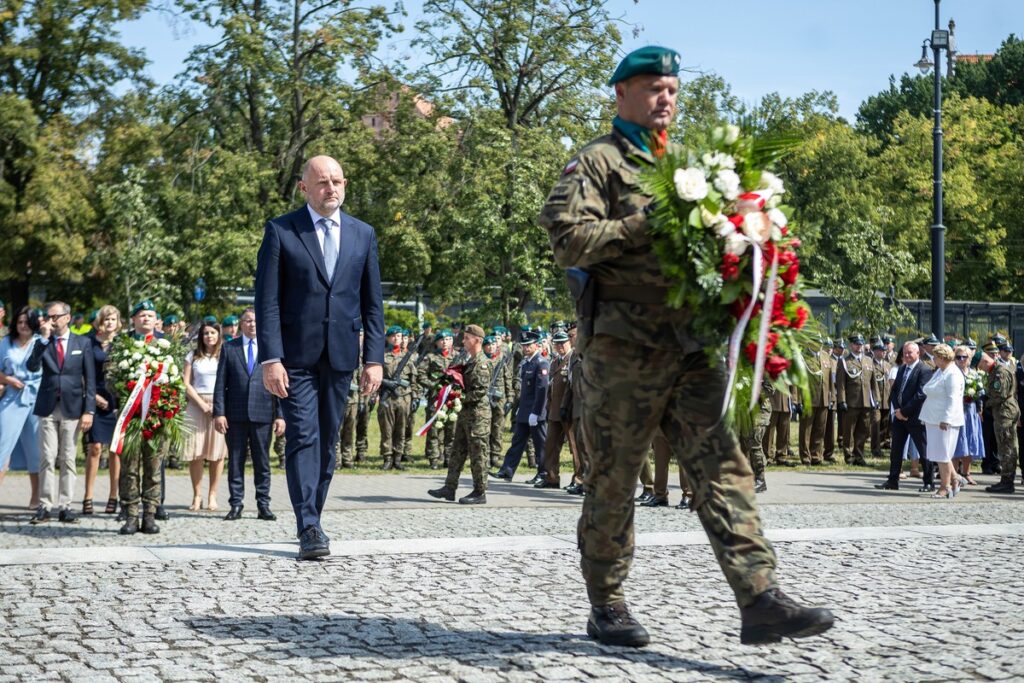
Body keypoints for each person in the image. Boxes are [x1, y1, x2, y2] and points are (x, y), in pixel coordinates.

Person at [538, 45, 833, 647]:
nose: (664, 96)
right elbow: (567, 239)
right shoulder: (597, 164)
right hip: (624, 352)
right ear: (620, 93)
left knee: (724, 466)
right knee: (615, 480)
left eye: (671, 87)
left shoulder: (694, 165)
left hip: (694, 348)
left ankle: (759, 597)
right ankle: (608, 604)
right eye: (651, 86)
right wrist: (646, 223)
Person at [255, 154, 384, 561]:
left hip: (342, 355)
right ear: (304, 188)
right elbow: (267, 302)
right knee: (303, 435)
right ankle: (308, 524)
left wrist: (374, 359)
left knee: (328, 441)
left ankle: (316, 515)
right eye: (324, 182)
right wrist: (271, 358)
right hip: (295, 357)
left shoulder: (363, 234)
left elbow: (373, 304)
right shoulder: (281, 230)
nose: (332, 189)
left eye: (338, 181)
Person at [27, 301, 96, 524]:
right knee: (47, 457)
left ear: (67, 317)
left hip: (73, 407)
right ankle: (45, 506)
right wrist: (44, 340)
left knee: (68, 458)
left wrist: (89, 410)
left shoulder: (82, 342)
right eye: (48, 317)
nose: (50, 321)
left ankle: (65, 506)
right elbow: (32, 366)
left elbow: (90, 379)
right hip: (47, 406)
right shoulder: (43, 342)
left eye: (54, 316)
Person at [214, 308, 283, 521]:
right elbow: (220, 383)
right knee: (235, 461)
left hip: (263, 414)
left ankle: (264, 504)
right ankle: (236, 504)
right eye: (248, 321)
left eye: (255, 321)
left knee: (262, 462)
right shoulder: (229, 348)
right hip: (235, 416)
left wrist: (280, 415)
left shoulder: (270, 349)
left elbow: (279, 382)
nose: (252, 324)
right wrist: (219, 412)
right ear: (241, 324)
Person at [428, 324, 491, 504]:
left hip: (478, 417)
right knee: (457, 452)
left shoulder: (482, 363)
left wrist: (457, 397)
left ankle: (480, 492)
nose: (463, 341)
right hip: (466, 415)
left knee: (478, 454)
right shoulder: (469, 360)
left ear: (477, 340)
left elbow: (480, 391)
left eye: (467, 338)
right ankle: (449, 488)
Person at [490, 330, 549, 483]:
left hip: (536, 412)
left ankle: (543, 474)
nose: (525, 348)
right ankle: (507, 470)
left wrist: (536, 412)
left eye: (528, 345)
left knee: (540, 444)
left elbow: (542, 391)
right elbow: (524, 389)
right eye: (524, 346)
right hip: (525, 410)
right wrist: (520, 408)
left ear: (536, 345)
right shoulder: (526, 363)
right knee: (517, 441)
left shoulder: (541, 363)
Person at [183, 322, 227, 512]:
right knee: (196, 452)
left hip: (219, 406)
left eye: (213, 333)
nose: (209, 336)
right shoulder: (192, 356)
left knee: (217, 454)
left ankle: (212, 495)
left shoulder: (224, 355)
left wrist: (217, 406)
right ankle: (197, 495)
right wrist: (201, 405)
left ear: (219, 335)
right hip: (196, 404)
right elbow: (185, 383)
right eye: (206, 333)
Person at [876, 342, 933, 491]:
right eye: (905, 353)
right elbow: (894, 391)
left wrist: (905, 412)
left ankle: (929, 482)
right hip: (900, 417)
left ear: (918, 353)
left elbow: (921, 394)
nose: (906, 355)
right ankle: (892, 480)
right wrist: (898, 411)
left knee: (923, 450)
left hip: (915, 417)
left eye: (910, 353)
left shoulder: (924, 370)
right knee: (896, 450)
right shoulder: (902, 369)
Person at [0, 307, 43, 499]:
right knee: (3, 446)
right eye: (19, 322)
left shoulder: (40, 342)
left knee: (35, 449)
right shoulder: (6, 343)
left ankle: (36, 497)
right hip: (11, 399)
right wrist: (9, 380)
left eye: (26, 322)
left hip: (36, 400)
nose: (23, 325)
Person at [83, 305, 121, 516]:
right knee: (95, 447)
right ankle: (88, 496)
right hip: (94, 398)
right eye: (106, 319)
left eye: (113, 319)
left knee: (116, 450)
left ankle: (113, 497)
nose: (109, 323)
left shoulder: (122, 344)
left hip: (117, 401)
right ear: (99, 321)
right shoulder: (88, 342)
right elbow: (81, 373)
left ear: (118, 322)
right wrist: (94, 398)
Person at [918, 344, 965, 498]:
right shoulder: (941, 371)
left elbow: (953, 399)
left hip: (945, 420)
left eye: (936, 357)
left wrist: (946, 419)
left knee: (943, 455)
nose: (934, 360)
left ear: (943, 358)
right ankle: (955, 479)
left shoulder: (953, 374)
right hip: (933, 419)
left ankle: (945, 487)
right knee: (938, 454)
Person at [537, 330, 575, 489]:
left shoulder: (573, 359)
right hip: (554, 410)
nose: (560, 346)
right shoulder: (554, 362)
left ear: (569, 342)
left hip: (569, 410)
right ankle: (552, 478)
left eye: (563, 342)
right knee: (551, 445)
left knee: (575, 448)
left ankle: (579, 480)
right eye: (557, 343)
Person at [378, 326, 418, 470]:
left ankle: (398, 458)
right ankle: (387, 458)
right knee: (387, 429)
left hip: (404, 398)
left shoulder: (408, 357)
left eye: (399, 336)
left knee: (401, 429)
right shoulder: (381, 356)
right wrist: (386, 382)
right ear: (388, 338)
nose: (396, 338)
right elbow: (375, 376)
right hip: (387, 398)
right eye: (393, 336)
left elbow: (414, 381)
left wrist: (415, 397)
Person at [983, 341, 1020, 494]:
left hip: (1004, 411)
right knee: (1007, 446)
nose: (981, 369)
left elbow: (1000, 394)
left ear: (985, 361)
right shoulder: (998, 370)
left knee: (1006, 446)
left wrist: (986, 402)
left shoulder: (999, 372)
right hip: (1005, 410)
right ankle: (1006, 480)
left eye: (981, 366)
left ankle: (1007, 481)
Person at [836, 334, 875, 466]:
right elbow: (840, 383)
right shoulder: (844, 362)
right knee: (849, 431)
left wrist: (875, 400)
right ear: (851, 345)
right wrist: (841, 401)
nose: (859, 346)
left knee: (863, 431)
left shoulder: (869, 361)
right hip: (851, 402)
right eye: (856, 344)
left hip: (865, 402)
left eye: (861, 344)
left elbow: (873, 383)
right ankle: (849, 456)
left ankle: (859, 455)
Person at [952, 345, 983, 486]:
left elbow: (980, 394)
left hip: (970, 412)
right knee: (956, 443)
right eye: (958, 357)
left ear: (969, 359)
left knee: (969, 442)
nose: (961, 359)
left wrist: (979, 408)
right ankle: (954, 474)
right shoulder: (952, 373)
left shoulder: (974, 373)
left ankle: (967, 473)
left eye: (964, 357)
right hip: (956, 411)